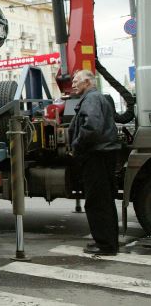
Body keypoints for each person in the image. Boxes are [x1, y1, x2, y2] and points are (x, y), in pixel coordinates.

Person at [68, 69, 121, 256]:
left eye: (77, 81)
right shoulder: (97, 97)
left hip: (96, 155)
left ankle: (105, 245)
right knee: (104, 200)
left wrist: (76, 145)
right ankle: (108, 242)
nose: (73, 84)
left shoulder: (91, 99)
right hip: (103, 154)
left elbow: (91, 127)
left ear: (88, 82)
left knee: (96, 201)